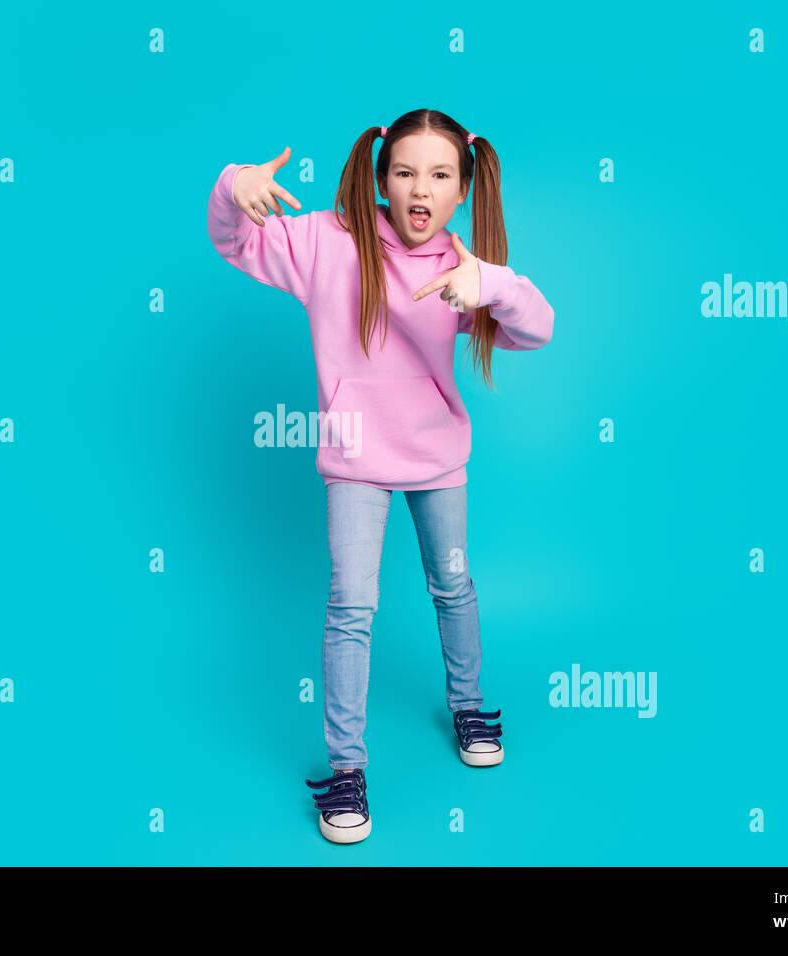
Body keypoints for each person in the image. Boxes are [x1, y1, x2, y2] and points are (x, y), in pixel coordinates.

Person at [206, 108, 555, 844]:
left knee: (453, 584)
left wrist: (488, 283)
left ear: (462, 188)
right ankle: (346, 770)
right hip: (356, 459)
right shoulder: (331, 242)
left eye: (438, 175)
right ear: (380, 179)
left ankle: (468, 703)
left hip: (436, 461)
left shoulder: (461, 266)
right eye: (404, 172)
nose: (420, 189)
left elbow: (538, 329)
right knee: (352, 605)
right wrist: (234, 186)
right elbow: (233, 243)